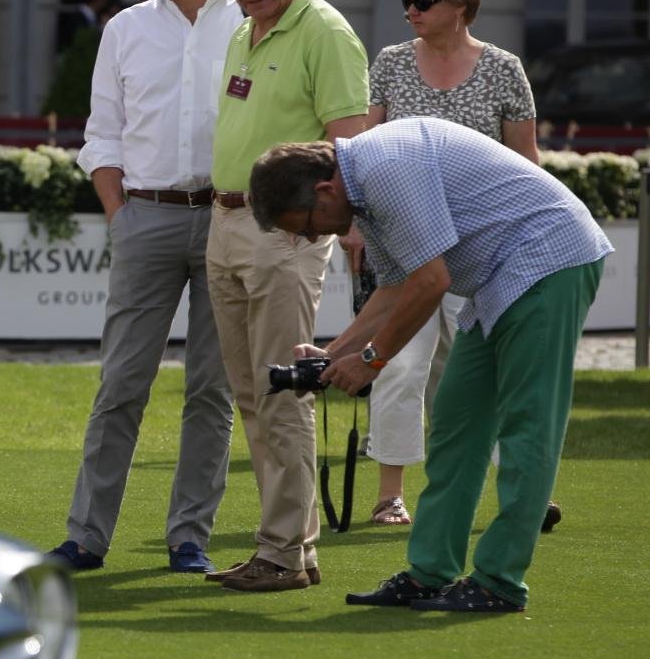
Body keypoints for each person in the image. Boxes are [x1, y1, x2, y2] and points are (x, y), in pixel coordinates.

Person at [247, 117, 613, 612]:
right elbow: (395, 286)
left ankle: (499, 582)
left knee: (528, 428)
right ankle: (430, 575)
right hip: (497, 278)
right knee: (457, 426)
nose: (312, 237)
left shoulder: (383, 168)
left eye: (307, 225)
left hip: (548, 260)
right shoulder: (363, 188)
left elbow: (431, 281)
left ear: (324, 190)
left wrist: (372, 360)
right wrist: (334, 354)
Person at [45, 0, 241, 574]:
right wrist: (119, 214)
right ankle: (86, 537)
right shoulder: (124, 29)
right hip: (145, 216)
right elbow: (102, 135)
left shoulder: (251, 21)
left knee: (212, 391)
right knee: (121, 385)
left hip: (229, 218)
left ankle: (190, 537)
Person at [200, 0, 369, 593]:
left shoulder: (325, 31)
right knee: (252, 393)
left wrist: (343, 232)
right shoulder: (246, 30)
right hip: (227, 221)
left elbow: (351, 148)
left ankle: (283, 553)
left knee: (281, 394)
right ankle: (291, 547)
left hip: (286, 230)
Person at [363, 0, 543, 529]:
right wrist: (355, 228)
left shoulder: (504, 69)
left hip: (483, 247)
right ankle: (390, 496)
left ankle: (511, 495)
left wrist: (526, 241)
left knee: (481, 373)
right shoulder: (390, 64)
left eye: (423, 1)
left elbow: (525, 162)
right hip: (405, 244)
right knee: (400, 363)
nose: (411, 11)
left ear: (462, 5)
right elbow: (368, 149)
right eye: (407, 1)